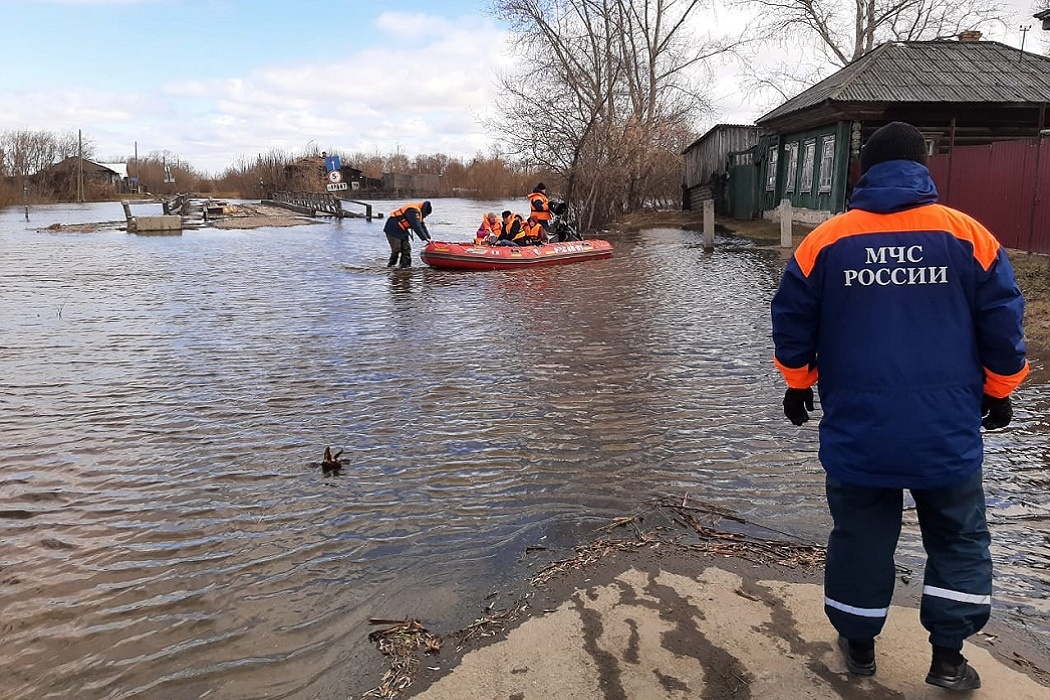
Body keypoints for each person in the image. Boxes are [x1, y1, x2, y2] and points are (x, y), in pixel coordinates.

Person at [770, 121, 1029, 692]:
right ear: (923, 166)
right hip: (946, 429)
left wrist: (798, 382)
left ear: (863, 169)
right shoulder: (968, 236)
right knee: (958, 537)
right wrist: (1000, 389)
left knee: (861, 536)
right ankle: (948, 659)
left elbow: (791, 318)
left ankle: (859, 648)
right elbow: (1004, 321)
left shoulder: (826, 240)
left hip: (859, 428)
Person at [383, 200, 432, 267]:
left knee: (406, 248)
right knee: (397, 249)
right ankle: (391, 265)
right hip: (393, 228)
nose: (426, 216)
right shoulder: (413, 211)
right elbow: (416, 226)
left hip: (402, 229)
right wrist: (424, 238)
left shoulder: (419, 212)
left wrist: (429, 238)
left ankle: (405, 267)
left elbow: (421, 225)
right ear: (424, 211)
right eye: (426, 214)